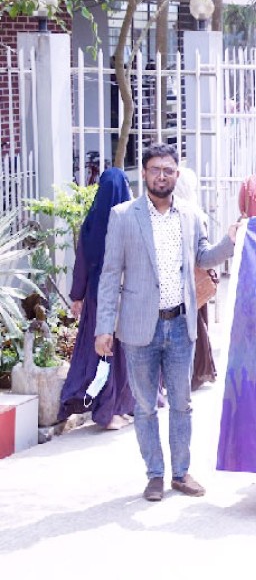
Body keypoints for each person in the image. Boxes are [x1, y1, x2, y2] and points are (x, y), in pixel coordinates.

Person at [95, 142, 240, 502]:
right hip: (139, 327)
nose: (162, 176)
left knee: (182, 404)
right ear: (144, 173)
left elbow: (203, 257)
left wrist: (229, 241)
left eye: (169, 170)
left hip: (180, 325)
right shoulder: (123, 216)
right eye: (156, 169)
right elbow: (110, 274)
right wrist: (104, 327)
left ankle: (181, 473)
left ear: (177, 174)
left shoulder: (189, 215)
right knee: (145, 407)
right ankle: (155, 475)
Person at [58, 168, 135, 430]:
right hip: (126, 296)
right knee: (118, 354)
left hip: (96, 296)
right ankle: (109, 412)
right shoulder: (131, 221)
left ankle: (112, 409)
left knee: (103, 353)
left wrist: (77, 296)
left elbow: (82, 262)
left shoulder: (92, 223)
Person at [174, 167, 220, 392]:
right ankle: (197, 371)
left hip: (184, 278)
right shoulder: (195, 212)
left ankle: (195, 371)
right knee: (195, 325)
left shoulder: (179, 212)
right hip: (193, 277)